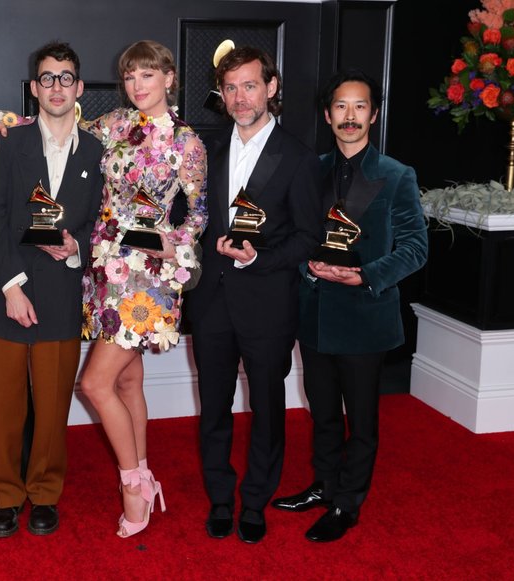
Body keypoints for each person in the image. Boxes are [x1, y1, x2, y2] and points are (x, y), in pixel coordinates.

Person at [271, 69, 428, 542]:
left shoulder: (397, 175)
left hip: (365, 314)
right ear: (328, 114)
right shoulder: (309, 169)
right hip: (316, 311)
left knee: (360, 419)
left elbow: (417, 247)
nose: (350, 116)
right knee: (321, 412)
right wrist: (305, 269)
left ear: (373, 114)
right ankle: (324, 484)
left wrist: (366, 275)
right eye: (341, 107)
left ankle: (348, 502)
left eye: (360, 106)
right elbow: (296, 236)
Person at [190, 45, 323, 544]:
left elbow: (309, 237)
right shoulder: (207, 149)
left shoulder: (299, 157)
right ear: (221, 95)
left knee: (267, 408)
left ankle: (256, 500)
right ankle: (221, 496)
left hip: (268, 301)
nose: (240, 97)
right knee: (215, 405)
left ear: (271, 87)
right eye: (231, 87)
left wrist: (258, 259)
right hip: (211, 300)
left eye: (250, 85)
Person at [79, 40, 208, 538]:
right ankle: (148, 476)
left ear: (170, 78)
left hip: (149, 277)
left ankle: (132, 484)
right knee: (128, 382)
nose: (138, 85)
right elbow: (64, 129)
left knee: (94, 384)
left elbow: (198, 211)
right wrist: (4, 123)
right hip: (106, 268)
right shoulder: (111, 125)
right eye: (130, 76)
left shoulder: (187, 143)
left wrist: (173, 243)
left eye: (147, 76)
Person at [0, 42, 104, 538]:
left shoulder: (95, 151)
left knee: (52, 407)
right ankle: (5, 496)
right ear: (34, 88)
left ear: (79, 88)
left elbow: (98, 224)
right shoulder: (6, 143)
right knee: (5, 405)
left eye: (65, 77)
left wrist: (76, 246)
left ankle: (45, 493)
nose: (56, 87)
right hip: (7, 289)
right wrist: (11, 285)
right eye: (46, 78)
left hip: (60, 293)